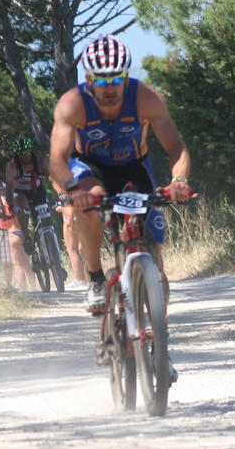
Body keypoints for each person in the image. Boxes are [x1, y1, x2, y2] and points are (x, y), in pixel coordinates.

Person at [48, 34, 194, 314]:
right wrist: (71, 190)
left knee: (152, 236)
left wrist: (179, 181)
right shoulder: (72, 104)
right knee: (92, 200)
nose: (109, 88)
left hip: (134, 165)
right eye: (101, 81)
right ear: (89, 79)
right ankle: (96, 280)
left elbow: (176, 147)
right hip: (89, 166)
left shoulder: (147, 99)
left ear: (127, 77)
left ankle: (157, 344)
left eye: (117, 79)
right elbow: (57, 159)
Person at [5, 136, 56, 261]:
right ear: (17, 154)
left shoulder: (40, 161)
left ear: (31, 151)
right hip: (20, 192)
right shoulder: (12, 166)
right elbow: (10, 188)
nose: (24, 156)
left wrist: (60, 195)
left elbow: (53, 178)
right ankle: (27, 237)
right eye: (21, 153)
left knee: (47, 210)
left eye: (27, 152)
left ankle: (53, 248)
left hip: (37, 190)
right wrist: (10, 206)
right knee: (21, 205)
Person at [57, 202, 89, 290]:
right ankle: (87, 279)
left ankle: (79, 280)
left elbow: (70, 202)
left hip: (70, 216)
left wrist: (64, 210)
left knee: (72, 250)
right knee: (81, 250)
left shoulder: (64, 189)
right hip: (82, 215)